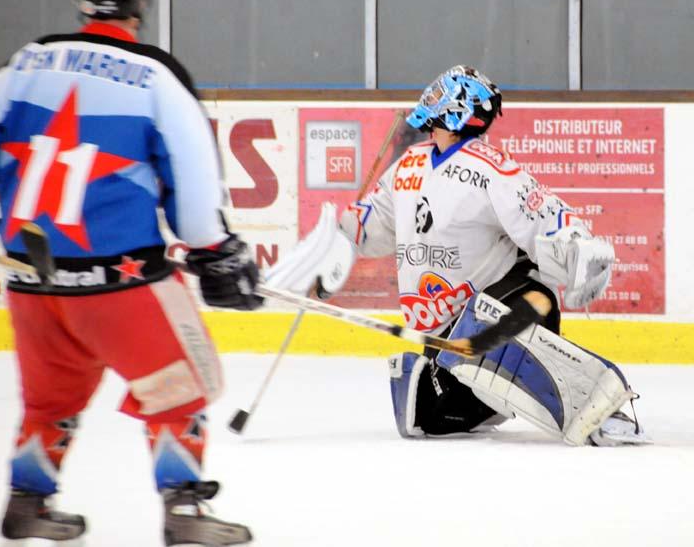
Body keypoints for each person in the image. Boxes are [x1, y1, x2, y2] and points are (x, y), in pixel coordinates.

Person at [0, 0, 258, 545]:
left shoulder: (23, 64)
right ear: (141, 3)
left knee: (49, 401)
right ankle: (184, 510)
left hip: (31, 279)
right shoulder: (156, 76)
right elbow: (193, 186)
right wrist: (214, 248)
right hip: (122, 281)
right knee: (182, 387)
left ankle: (28, 501)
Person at [273, 65, 645, 446]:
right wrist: (340, 243)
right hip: (449, 340)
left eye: (440, 96)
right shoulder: (409, 165)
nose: (430, 100)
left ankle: (601, 407)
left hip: (514, 308)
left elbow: (545, 215)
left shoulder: (490, 169)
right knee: (418, 408)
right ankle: (492, 398)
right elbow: (375, 221)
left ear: (458, 110)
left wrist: (578, 246)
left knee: (479, 323)